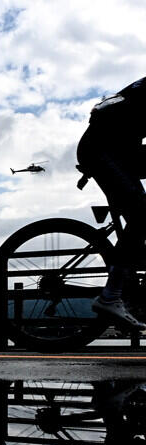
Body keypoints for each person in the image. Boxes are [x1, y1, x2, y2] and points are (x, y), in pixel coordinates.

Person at [77, 77, 146, 331]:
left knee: (141, 216)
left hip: (120, 151)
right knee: (141, 216)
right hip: (102, 150)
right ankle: (111, 296)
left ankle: (131, 275)